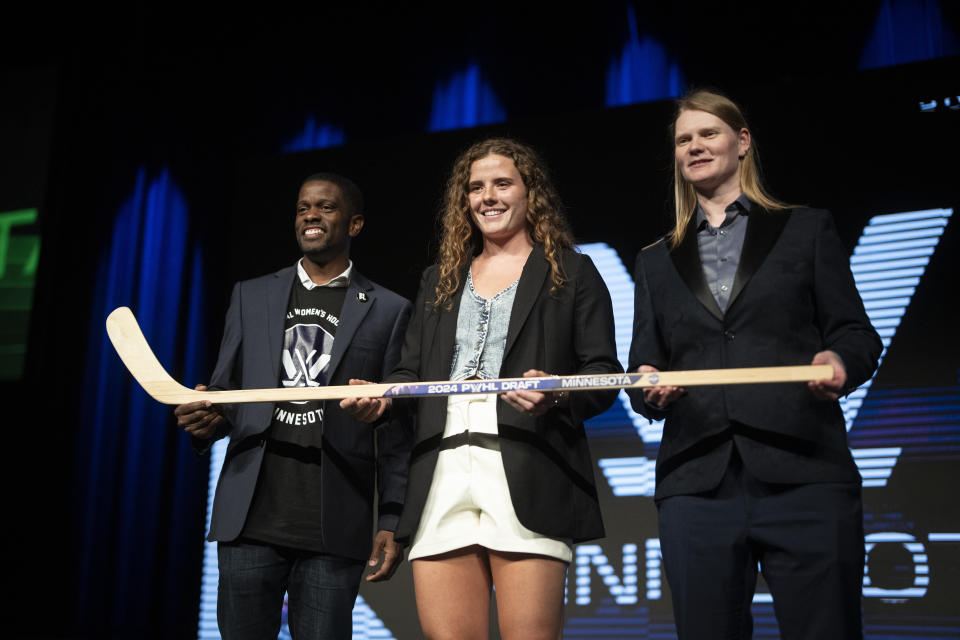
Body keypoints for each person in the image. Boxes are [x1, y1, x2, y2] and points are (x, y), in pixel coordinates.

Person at [627, 90, 882, 639]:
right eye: (682, 140)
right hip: (696, 485)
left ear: (742, 142)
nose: (695, 146)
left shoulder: (806, 229)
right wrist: (648, 386)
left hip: (804, 473)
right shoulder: (654, 260)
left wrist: (838, 360)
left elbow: (856, 333)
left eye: (708, 133)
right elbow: (643, 363)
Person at [342, 138, 621, 639]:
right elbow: (411, 376)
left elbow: (602, 374)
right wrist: (382, 400)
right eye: (475, 188)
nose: (487, 196)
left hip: (527, 466)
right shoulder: (440, 280)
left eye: (502, 183)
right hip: (441, 470)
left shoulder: (572, 272)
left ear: (529, 192)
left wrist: (555, 392)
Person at [174, 173, 412, 640]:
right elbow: (228, 394)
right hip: (249, 520)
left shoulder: (388, 308)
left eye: (325, 207)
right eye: (303, 208)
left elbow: (396, 428)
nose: (311, 216)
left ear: (355, 223)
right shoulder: (252, 294)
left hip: (334, 522)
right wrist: (206, 421)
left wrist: (392, 519)